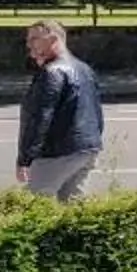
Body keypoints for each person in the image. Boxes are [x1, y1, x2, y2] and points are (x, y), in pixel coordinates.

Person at [15, 22, 104, 202]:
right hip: (87, 148)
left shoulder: (51, 73)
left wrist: (25, 158)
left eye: (34, 39)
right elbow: (96, 112)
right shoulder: (84, 68)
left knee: (32, 205)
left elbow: (40, 118)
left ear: (53, 40)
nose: (28, 45)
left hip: (59, 152)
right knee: (72, 207)